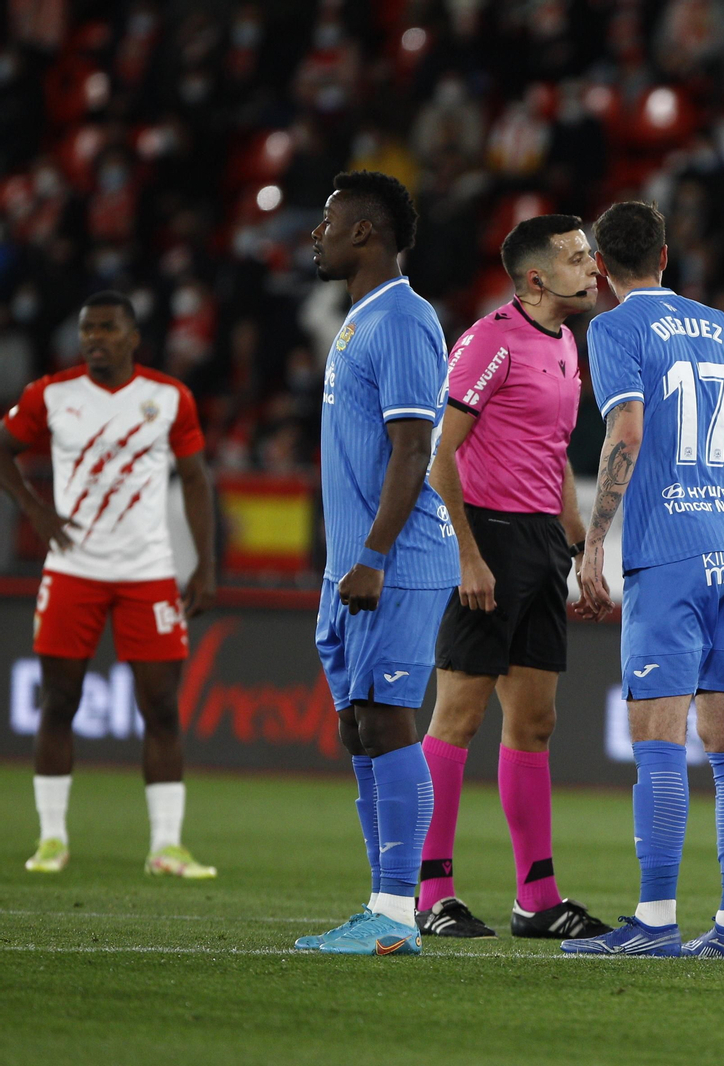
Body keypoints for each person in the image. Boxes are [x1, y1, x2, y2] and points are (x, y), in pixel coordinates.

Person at [561, 200, 724, 957]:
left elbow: (626, 430)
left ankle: (655, 922)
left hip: (670, 554)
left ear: (602, 267)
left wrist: (594, 544)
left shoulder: (614, 328)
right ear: (664, 255)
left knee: (657, 738)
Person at [416, 214, 610, 942]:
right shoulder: (488, 341)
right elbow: (441, 455)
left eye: (589, 256)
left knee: (534, 722)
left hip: (539, 544)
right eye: (576, 259)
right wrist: (467, 555)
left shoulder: (566, 343)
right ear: (536, 278)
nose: (591, 269)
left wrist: (579, 543)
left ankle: (538, 899)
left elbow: (552, 448)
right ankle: (429, 892)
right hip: (488, 536)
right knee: (458, 715)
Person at [292, 171, 459, 957]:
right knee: (361, 726)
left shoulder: (402, 319)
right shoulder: (360, 320)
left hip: (396, 560)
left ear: (366, 232)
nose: (316, 234)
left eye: (328, 220)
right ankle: (380, 905)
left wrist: (374, 555)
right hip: (352, 569)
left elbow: (414, 447)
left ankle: (399, 913)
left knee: (389, 720)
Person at [0, 290, 218, 878]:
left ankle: (166, 846)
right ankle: (51, 839)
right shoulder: (51, 393)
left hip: (149, 572)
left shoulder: (168, 397)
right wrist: (34, 510)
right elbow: (4, 449)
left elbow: (196, 480)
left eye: (105, 328)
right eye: (86, 328)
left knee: (162, 708)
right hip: (74, 569)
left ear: (131, 337)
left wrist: (204, 565)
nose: (94, 337)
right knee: (59, 702)